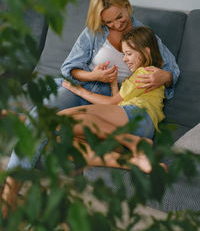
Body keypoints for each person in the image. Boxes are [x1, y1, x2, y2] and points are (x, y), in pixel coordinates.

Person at [1, 26, 166, 217]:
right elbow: (119, 99)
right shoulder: (136, 76)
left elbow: (114, 103)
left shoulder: (147, 73)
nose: (125, 58)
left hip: (137, 116)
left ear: (146, 51)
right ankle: (131, 161)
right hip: (129, 119)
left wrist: (78, 90)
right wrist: (113, 82)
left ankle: (29, 121)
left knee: (63, 117)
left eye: (128, 53)